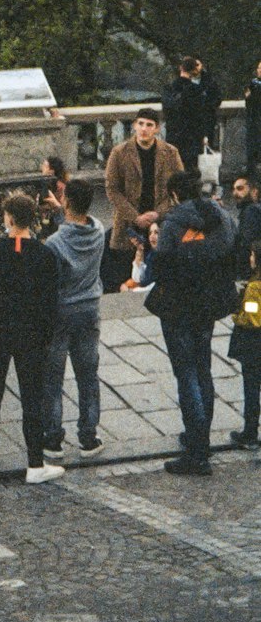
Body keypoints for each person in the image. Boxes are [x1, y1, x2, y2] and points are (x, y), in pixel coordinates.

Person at [149, 170, 237, 477]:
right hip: (208, 303)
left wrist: (155, 243)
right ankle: (202, 438)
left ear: (174, 194)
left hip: (178, 306)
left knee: (186, 374)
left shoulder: (173, 222)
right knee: (203, 369)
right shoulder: (221, 216)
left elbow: (158, 267)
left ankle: (196, 452)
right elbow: (231, 250)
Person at [0, 191, 63, 484]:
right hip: (31, 333)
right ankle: (35, 463)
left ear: (8, 219)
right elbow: (50, 302)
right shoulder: (45, 255)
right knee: (32, 397)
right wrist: (46, 335)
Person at [42, 179, 106, 461]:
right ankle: (89, 437)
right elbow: (76, 224)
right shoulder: (99, 231)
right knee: (88, 375)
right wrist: (62, 209)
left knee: (53, 378)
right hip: (89, 308)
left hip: (61, 311)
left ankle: (53, 439)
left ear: (66, 201)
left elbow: (51, 281)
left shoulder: (54, 243)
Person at [103, 107, 183, 292]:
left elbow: (179, 187)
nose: (144, 129)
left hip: (160, 221)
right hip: (128, 222)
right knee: (126, 272)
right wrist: (135, 216)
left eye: (149, 125)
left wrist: (158, 213)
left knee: (160, 271)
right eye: (140, 124)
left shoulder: (170, 153)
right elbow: (112, 189)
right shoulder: (119, 152)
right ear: (134, 126)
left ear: (157, 128)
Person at [228, 238, 261, 451]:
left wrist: (235, 312)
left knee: (251, 388)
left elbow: (250, 317)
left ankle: (250, 432)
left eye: (252, 255)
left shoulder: (254, 288)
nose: (249, 258)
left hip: (253, 344)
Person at [162, 56, 222, 172]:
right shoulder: (197, 90)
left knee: (174, 170)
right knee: (191, 172)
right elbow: (205, 111)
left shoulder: (169, 88)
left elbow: (168, 109)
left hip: (174, 135)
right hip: (193, 137)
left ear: (181, 68)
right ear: (194, 70)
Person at [232, 173, 261, 279]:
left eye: (240, 188)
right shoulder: (253, 209)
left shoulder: (251, 210)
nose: (235, 193)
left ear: (254, 191)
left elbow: (245, 243)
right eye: (234, 189)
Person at [245, 62, 261, 178]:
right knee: (252, 150)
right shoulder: (253, 83)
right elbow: (248, 100)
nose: (259, 70)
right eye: (259, 68)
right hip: (254, 121)